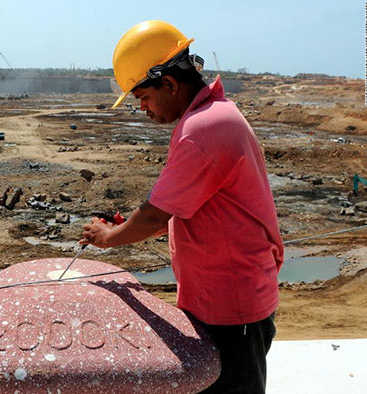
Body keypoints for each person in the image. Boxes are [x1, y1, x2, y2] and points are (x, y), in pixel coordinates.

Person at [81, 20, 283, 393]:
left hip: (231, 308)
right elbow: (191, 210)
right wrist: (132, 225)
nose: (142, 109)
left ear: (170, 83)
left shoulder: (203, 128)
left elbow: (158, 212)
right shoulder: (215, 115)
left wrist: (108, 237)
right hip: (227, 298)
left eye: (143, 97)